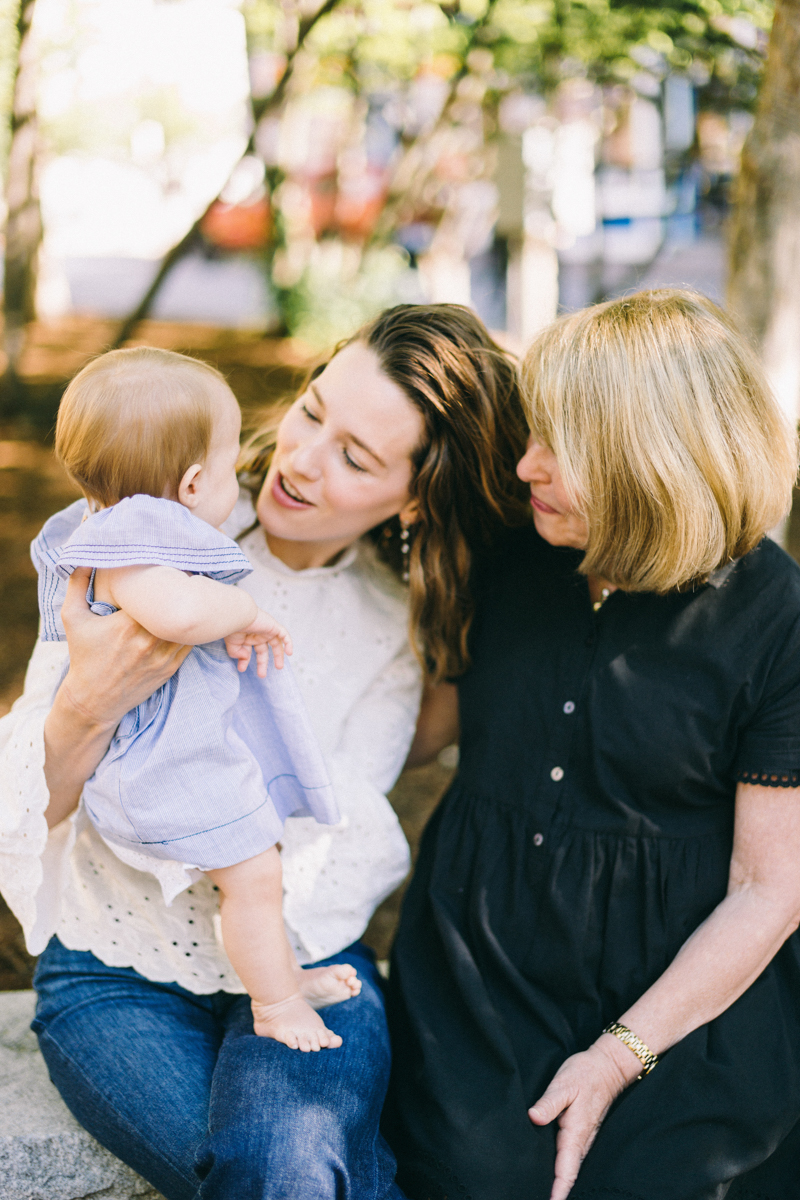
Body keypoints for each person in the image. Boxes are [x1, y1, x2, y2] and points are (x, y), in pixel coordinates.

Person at [0, 304, 529, 1200]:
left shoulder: (394, 623)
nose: (301, 458)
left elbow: (338, 834)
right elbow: (29, 809)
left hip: (307, 956)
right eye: (314, 411)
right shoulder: (157, 531)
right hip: (117, 968)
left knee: (291, 1158)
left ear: (415, 496)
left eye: (356, 457)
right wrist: (87, 705)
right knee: (293, 1179)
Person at [385, 290, 800, 1200]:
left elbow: (770, 890)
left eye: (559, 447)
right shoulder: (509, 549)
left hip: (682, 993)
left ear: (648, 460)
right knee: (476, 1175)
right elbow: (415, 735)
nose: (526, 464)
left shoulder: (779, 619)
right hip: (479, 970)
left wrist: (617, 1058)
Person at [35, 346, 356, 1052]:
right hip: (163, 770)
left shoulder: (112, 528)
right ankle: (275, 1001)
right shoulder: (134, 546)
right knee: (254, 877)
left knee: (255, 874)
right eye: (228, 454)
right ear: (188, 485)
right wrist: (244, 609)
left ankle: (279, 976)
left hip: (165, 763)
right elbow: (179, 616)